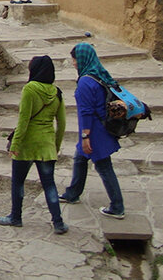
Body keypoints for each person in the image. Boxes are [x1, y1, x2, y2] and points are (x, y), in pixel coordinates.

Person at [0, 55, 68, 233]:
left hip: (27, 145)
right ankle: (58, 222)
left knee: (18, 182)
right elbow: (62, 124)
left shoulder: (29, 89)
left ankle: (16, 217)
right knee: (49, 184)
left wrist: (15, 145)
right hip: (47, 145)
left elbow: (24, 120)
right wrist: (56, 146)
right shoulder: (57, 92)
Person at [59, 42, 126, 219]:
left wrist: (85, 136)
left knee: (104, 167)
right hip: (101, 127)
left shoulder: (85, 82)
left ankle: (117, 206)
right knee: (79, 159)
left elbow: (86, 112)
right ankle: (72, 193)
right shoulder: (99, 75)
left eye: (74, 59)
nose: (74, 63)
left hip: (94, 132)